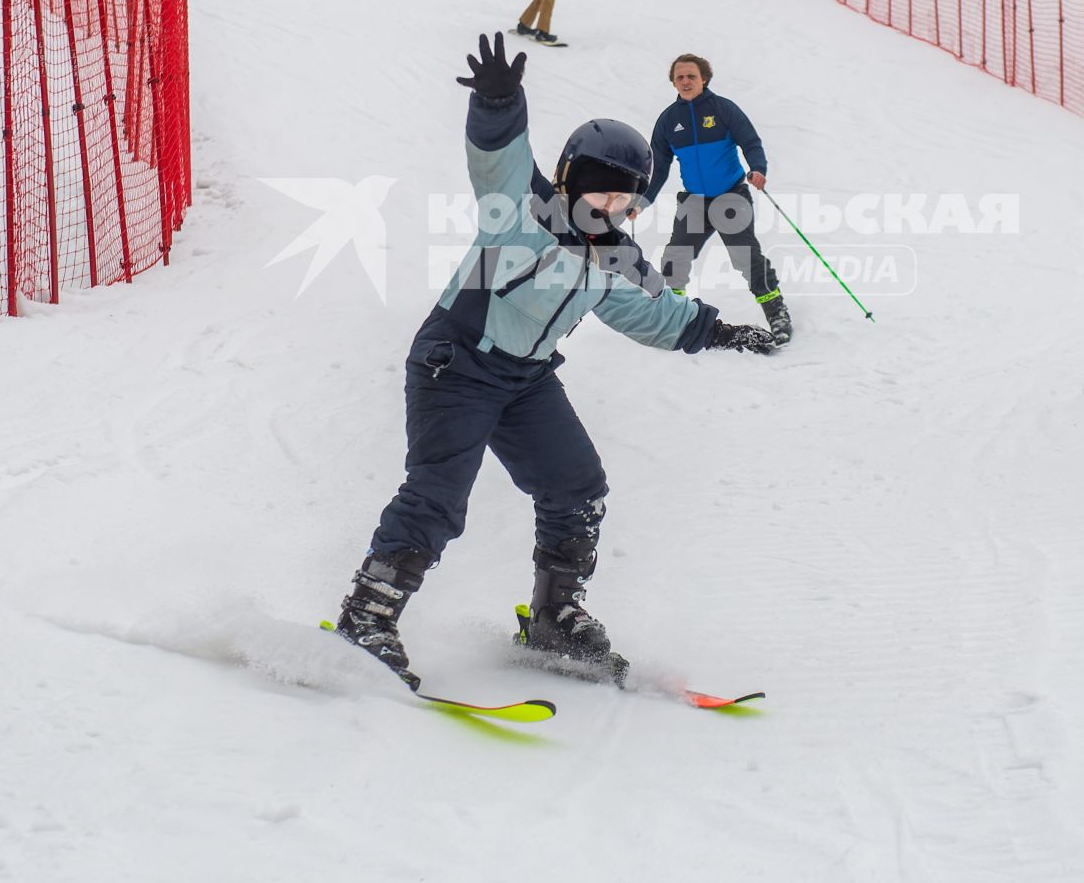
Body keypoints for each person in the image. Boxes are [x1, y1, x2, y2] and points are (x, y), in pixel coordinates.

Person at [331, 34, 776, 688]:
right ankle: (367, 617)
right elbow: (498, 158)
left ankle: (554, 618)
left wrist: (719, 332)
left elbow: (654, 313)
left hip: (526, 379)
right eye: (599, 189)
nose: (610, 205)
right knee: (438, 496)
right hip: (457, 362)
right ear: (569, 177)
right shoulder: (521, 207)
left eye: (625, 196)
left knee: (577, 488)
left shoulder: (617, 255)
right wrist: (499, 102)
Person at [635, 54, 791, 345]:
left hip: (730, 196)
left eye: (691, 76)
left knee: (746, 257)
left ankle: (776, 311)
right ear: (673, 82)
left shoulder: (723, 110)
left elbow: (750, 141)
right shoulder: (669, 121)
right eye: (679, 77)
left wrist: (758, 169)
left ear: (703, 78)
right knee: (675, 257)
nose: (685, 81)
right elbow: (659, 166)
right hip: (694, 201)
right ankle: (672, 314)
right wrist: (641, 201)